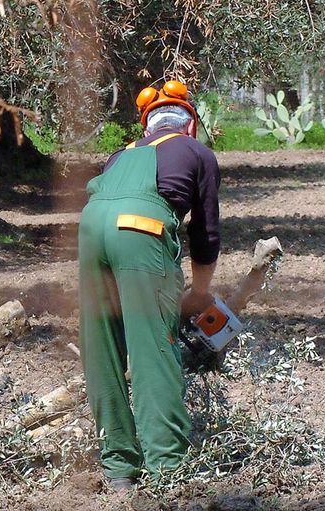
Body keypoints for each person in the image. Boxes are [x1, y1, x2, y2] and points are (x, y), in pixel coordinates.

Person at [77, 80, 220, 487]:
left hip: (90, 232)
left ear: (146, 128)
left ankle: (119, 468)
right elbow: (205, 234)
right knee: (153, 349)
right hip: (140, 230)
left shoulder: (118, 155)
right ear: (189, 124)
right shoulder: (198, 153)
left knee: (102, 349)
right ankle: (167, 469)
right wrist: (199, 292)